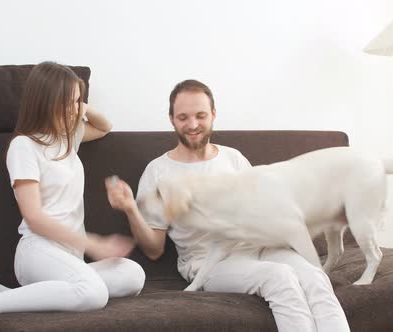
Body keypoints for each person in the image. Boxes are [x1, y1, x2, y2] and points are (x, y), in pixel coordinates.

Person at [105, 79, 350, 332]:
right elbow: (154, 249)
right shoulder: (159, 171)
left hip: (260, 247)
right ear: (171, 118)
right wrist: (131, 209)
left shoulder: (233, 158)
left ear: (213, 114)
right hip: (208, 263)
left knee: (315, 277)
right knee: (281, 278)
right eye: (183, 117)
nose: (192, 125)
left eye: (200, 115)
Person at [0, 61, 145, 332]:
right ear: (48, 102)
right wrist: (93, 243)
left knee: (133, 275)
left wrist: (79, 103)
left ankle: (17, 294)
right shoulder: (24, 146)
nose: (76, 110)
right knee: (93, 293)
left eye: (77, 102)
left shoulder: (68, 138)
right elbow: (34, 217)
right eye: (69, 103)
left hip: (69, 258)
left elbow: (105, 126)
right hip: (38, 251)